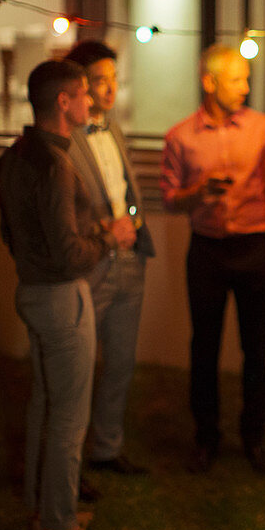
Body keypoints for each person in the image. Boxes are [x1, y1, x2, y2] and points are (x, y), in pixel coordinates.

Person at [0, 59, 127, 530]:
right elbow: (68, 254)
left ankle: (41, 509)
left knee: (44, 406)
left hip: (30, 290)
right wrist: (110, 238)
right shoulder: (56, 165)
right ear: (63, 102)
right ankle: (61, 527)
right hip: (60, 297)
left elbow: (10, 232)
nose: (90, 101)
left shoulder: (15, 155)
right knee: (69, 417)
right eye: (82, 94)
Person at [160, 44, 265, 474]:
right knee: (204, 347)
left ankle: (254, 437)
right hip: (207, 250)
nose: (246, 87)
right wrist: (198, 194)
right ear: (209, 82)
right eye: (237, 79)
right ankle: (206, 438)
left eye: (247, 78)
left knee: (256, 349)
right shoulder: (180, 136)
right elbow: (170, 198)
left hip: (253, 250)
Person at [64, 40, 155, 478]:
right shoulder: (67, 137)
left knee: (121, 359)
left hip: (130, 258)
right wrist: (106, 230)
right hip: (93, 261)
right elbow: (69, 210)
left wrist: (133, 226)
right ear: (79, 84)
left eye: (114, 78)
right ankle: (71, 460)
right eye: (100, 80)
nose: (110, 88)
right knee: (78, 366)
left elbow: (123, 188)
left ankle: (106, 446)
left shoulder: (113, 128)